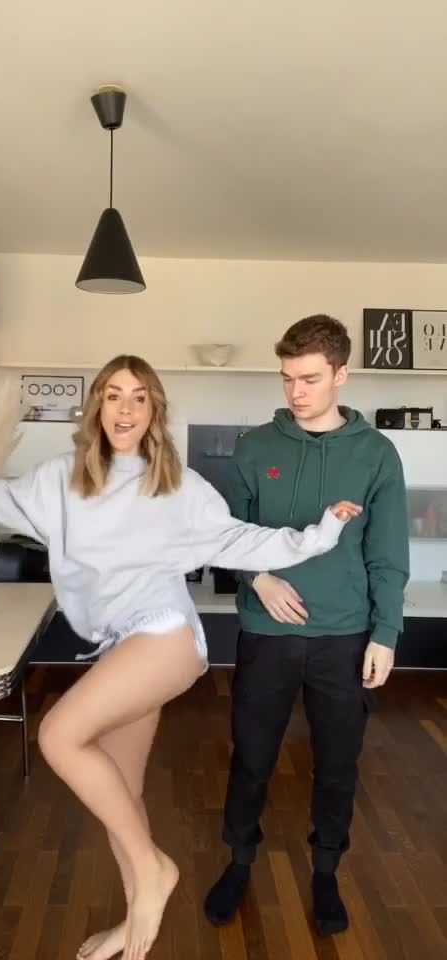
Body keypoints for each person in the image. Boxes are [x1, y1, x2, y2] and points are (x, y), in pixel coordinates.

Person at [0, 355, 361, 960]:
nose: (126, 408)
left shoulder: (176, 486)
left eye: (140, 397)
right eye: (115, 395)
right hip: (123, 644)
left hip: (166, 634)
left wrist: (319, 535)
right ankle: (134, 924)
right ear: (97, 405)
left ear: (154, 411)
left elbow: (241, 541)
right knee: (122, 793)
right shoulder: (59, 481)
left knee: (58, 735)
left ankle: (153, 872)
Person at [204, 315, 409, 937]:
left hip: (344, 636)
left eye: (311, 378)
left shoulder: (376, 454)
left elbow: (387, 553)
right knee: (252, 758)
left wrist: (386, 633)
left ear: (342, 375)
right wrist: (259, 579)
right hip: (266, 634)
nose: (296, 391)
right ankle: (239, 860)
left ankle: (325, 871)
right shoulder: (254, 447)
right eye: (288, 377)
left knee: (338, 764)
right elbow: (226, 534)